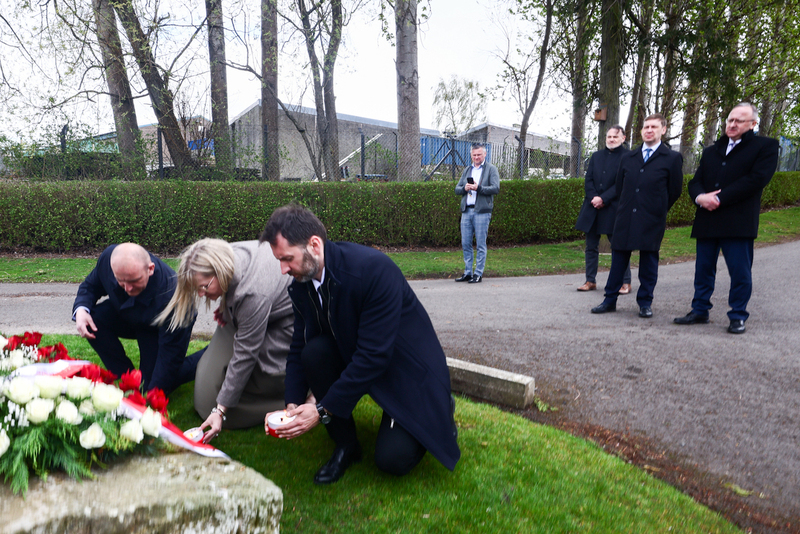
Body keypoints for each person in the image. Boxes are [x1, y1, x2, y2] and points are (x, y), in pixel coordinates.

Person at [261, 204, 460, 485]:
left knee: (392, 460)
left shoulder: (373, 270)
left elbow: (374, 357)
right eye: (279, 260)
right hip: (356, 353)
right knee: (314, 353)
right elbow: (298, 344)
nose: (282, 269)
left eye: (287, 258)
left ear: (314, 245)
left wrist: (320, 411)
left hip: (405, 370)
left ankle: (441, 409)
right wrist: (292, 404)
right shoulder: (302, 283)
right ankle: (346, 446)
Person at [155, 239, 294, 443]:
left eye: (204, 287)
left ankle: (296, 397)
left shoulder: (252, 293)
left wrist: (220, 411)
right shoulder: (227, 255)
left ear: (219, 270)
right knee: (204, 395)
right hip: (246, 311)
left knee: (254, 380)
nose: (202, 295)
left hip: (285, 323)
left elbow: (245, 354)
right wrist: (226, 309)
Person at [673, 103, 779, 334]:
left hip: (738, 221)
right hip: (707, 219)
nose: (732, 125)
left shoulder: (765, 146)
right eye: (730, 120)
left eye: (739, 121)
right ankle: (699, 310)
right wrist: (700, 197)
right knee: (703, 270)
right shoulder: (712, 150)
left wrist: (719, 199)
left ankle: (737, 315)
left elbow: (756, 179)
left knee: (740, 272)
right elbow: (695, 181)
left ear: (752, 124)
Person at [591, 114, 683, 318]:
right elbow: (621, 187)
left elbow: (674, 190)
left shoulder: (672, 158)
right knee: (618, 262)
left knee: (648, 262)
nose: (649, 130)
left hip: (652, 218)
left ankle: (645, 303)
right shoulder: (628, 158)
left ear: (663, 130)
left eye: (654, 126)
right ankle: (609, 300)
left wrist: (657, 208)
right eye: (646, 126)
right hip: (625, 217)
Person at [72, 243, 196, 394]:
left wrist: (152, 394)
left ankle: (203, 360)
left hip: (155, 330)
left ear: (150, 269)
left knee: (153, 384)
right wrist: (81, 310)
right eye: (121, 281)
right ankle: (123, 373)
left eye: (134, 281)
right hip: (125, 314)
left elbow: (170, 356)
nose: (128, 288)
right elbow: (90, 286)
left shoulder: (175, 299)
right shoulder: (108, 259)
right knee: (92, 319)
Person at [574, 126, 633, 293]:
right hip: (592, 207)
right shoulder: (596, 156)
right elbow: (589, 179)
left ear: (623, 138)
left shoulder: (628, 157)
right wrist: (594, 197)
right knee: (591, 246)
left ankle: (625, 281)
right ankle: (590, 280)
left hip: (613, 207)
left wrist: (604, 198)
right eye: (609, 136)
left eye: (615, 136)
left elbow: (623, 182)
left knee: (619, 246)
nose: (612, 139)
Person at [454, 143, 500, 283]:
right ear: (471, 155)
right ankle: (468, 272)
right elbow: (457, 189)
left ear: (485, 154)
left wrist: (478, 188)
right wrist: (465, 188)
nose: (476, 157)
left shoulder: (491, 169)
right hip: (466, 211)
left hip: (482, 211)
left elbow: (495, 188)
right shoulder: (467, 170)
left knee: (480, 244)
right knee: (466, 243)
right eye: (474, 155)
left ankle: (478, 273)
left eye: (479, 154)